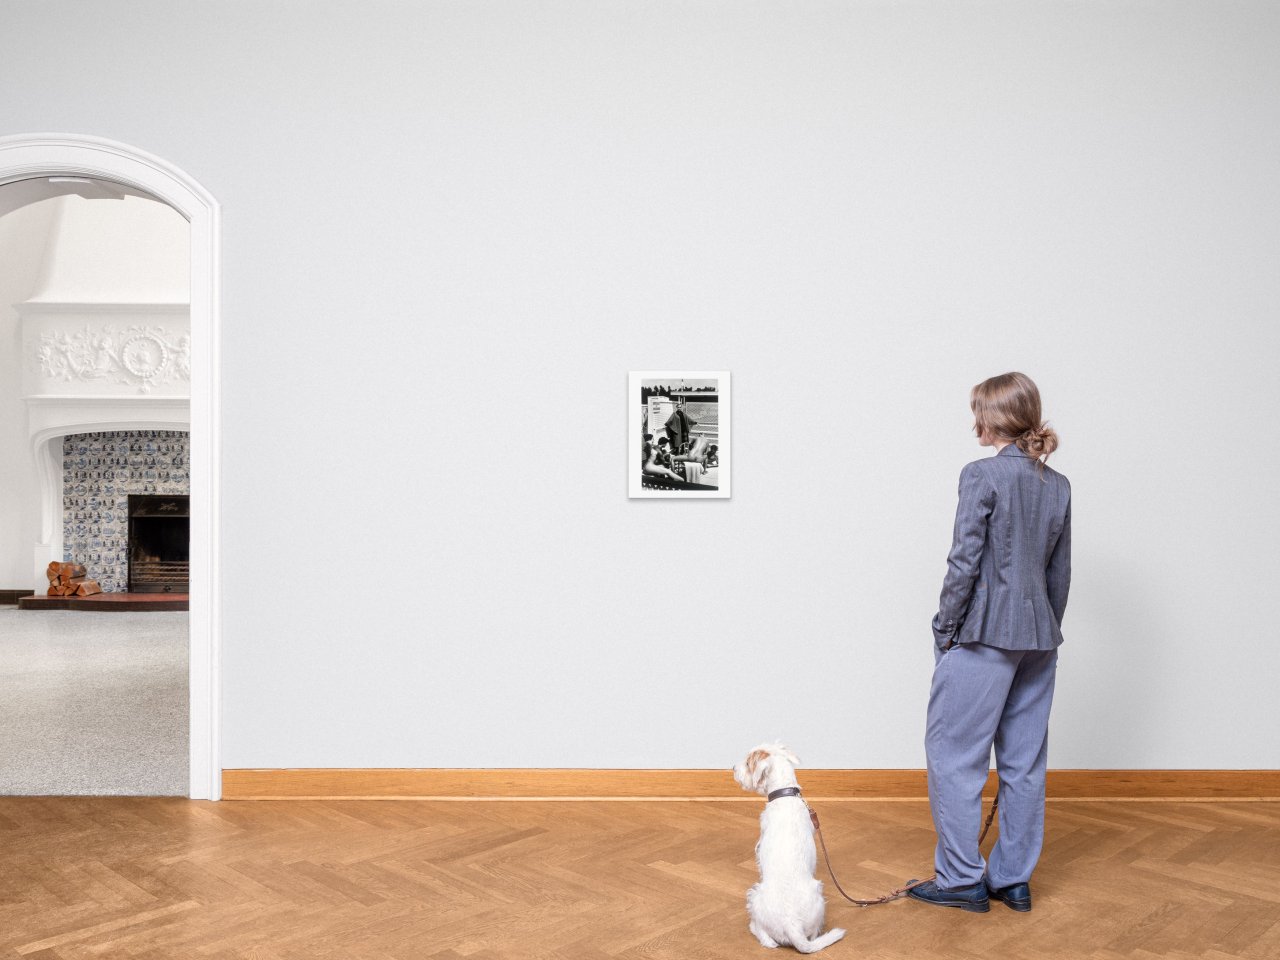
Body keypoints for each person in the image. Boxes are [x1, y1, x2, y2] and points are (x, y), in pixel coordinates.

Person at [908, 372, 1071, 915]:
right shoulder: (1059, 484)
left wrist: (944, 629)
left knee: (955, 758)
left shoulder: (981, 475)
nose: (972, 420)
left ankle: (959, 880)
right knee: (1024, 763)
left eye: (976, 410)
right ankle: (1013, 880)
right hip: (1039, 638)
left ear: (993, 417)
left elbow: (963, 562)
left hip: (983, 634)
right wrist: (1044, 629)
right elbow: (1058, 575)